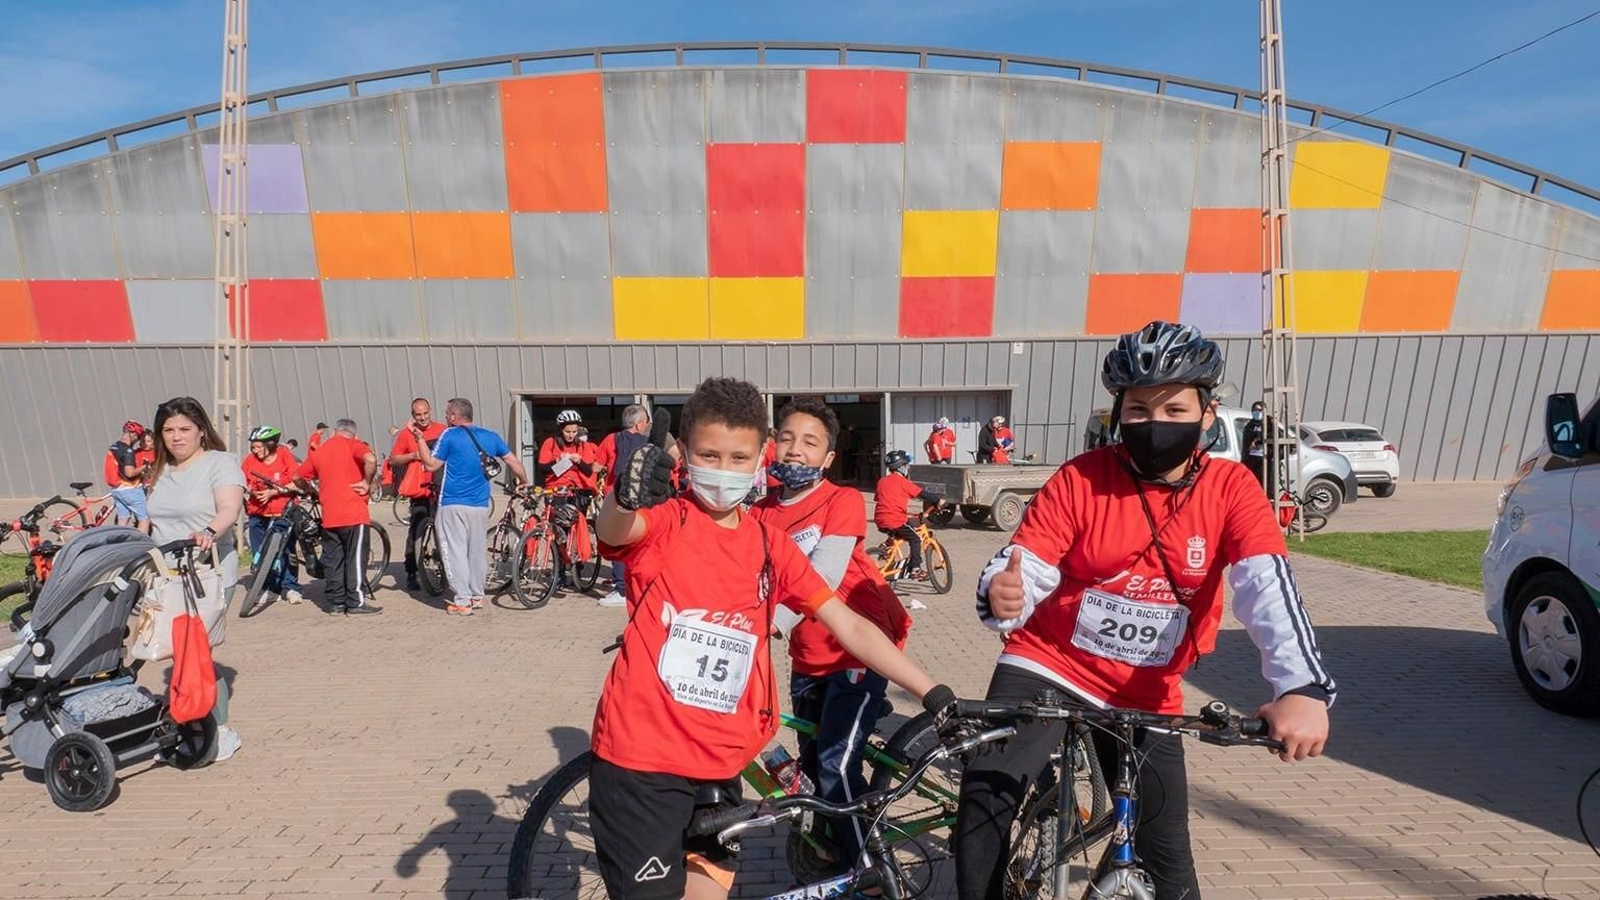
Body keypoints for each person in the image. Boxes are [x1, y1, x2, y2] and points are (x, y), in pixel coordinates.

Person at [955, 320, 1336, 900]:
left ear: (1207, 415)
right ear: (1118, 414)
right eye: (1138, 410)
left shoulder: (1232, 489)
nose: (1155, 423)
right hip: (1049, 662)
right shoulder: (1081, 478)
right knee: (984, 805)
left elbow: (1267, 588)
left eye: (1175, 409)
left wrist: (1301, 688)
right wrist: (1005, 596)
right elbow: (1024, 562)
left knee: (1168, 857)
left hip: (1148, 689)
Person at [589, 376, 953, 900]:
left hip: (720, 767)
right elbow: (616, 532)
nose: (723, 470)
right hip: (644, 763)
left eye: (739, 458)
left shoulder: (768, 542)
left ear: (760, 457)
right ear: (684, 451)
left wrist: (932, 691)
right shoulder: (669, 521)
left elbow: (848, 623)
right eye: (708, 455)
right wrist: (623, 497)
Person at [752, 396, 912, 873]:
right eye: (786, 438)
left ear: (827, 458)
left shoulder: (840, 500)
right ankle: (833, 859)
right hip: (807, 658)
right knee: (810, 769)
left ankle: (872, 873)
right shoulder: (760, 513)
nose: (795, 449)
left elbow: (823, 573)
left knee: (835, 767)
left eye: (810, 442)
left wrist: (771, 624)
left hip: (856, 651)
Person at [143, 396, 246, 761]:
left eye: (185, 429)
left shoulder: (220, 463)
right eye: (168, 430)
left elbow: (229, 508)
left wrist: (209, 531)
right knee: (178, 653)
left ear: (202, 431)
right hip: (166, 576)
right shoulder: (159, 470)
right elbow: (149, 520)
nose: (177, 437)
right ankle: (185, 726)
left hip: (208, 573)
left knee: (197, 653)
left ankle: (220, 732)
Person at [412, 398, 529, 616]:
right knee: (476, 551)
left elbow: (430, 465)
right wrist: (523, 481)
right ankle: (477, 595)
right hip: (480, 505)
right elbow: (513, 462)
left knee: (454, 551)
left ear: (454, 416)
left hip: (452, 503)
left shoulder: (449, 435)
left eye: (447, 413)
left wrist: (419, 439)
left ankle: (462, 601)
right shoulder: (491, 436)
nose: (445, 416)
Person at [295, 419, 380, 616]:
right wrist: (366, 482)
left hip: (330, 515)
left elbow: (297, 477)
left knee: (334, 559)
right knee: (355, 558)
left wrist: (310, 489)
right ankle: (356, 602)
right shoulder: (354, 445)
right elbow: (371, 459)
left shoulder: (321, 451)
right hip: (354, 513)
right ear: (354, 434)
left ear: (334, 432)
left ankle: (336, 603)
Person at [594, 405, 652, 608]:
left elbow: (596, 466)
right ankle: (639, 585)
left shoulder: (611, 440)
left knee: (617, 541)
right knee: (640, 542)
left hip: (615, 498)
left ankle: (621, 589)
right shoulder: (648, 443)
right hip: (642, 498)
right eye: (646, 422)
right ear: (639, 425)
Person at [240, 425, 304, 605]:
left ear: (270, 444)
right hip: (258, 512)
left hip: (282, 511)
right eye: (253, 447)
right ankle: (267, 586)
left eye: (258, 446)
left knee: (286, 550)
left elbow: (296, 482)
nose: (255, 450)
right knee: (259, 551)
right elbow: (241, 481)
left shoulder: (284, 456)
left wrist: (274, 492)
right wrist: (248, 491)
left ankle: (290, 586)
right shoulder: (249, 461)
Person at [390, 398, 447, 591]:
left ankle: (445, 567)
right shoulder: (407, 434)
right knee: (416, 531)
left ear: (430, 411)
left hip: (441, 488)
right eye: (418, 414)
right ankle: (411, 572)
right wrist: (412, 456)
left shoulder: (442, 430)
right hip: (420, 490)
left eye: (425, 413)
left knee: (445, 530)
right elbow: (394, 460)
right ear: (413, 415)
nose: (422, 418)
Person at [872, 449, 942, 578]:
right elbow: (922, 494)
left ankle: (886, 547)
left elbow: (878, 498)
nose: (908, 468)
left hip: (880, 519)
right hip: (895, 520)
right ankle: (915, 569)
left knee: (903, 528)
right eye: (906, 465)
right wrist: (938, 500)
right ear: (901, 467)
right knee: (915, 539)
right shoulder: (903, 482)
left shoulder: (882, 481)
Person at [539, 410, 599, 494]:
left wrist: (579, 462)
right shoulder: (550, 443)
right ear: (560, 429)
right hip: (556, 489)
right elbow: (542, 469)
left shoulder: (584, 445)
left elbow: (589, 472)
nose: (571, 435)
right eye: (567, 432)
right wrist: (557, 460)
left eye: (574, 432)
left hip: (578, 488)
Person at [104, 420, 150, 527]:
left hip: (117, 489)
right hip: (130, 489)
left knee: (123, 519)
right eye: (138, 437)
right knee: (144, 519)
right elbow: (129, 473)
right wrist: (144, 467)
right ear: (132, 434)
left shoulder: (114, 446)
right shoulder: (128, 451)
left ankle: (120, 537)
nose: (138, 440)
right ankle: (142, 539)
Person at [1242, 400, 1269, 487]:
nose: (1257, 412)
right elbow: (1246, 442)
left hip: (1264, 460)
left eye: (1260, 410)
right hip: (1252, 460)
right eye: (1255, 410)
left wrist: (1258, 440)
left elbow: (1271, 437)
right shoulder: (1249, 426)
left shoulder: (1269, 424)